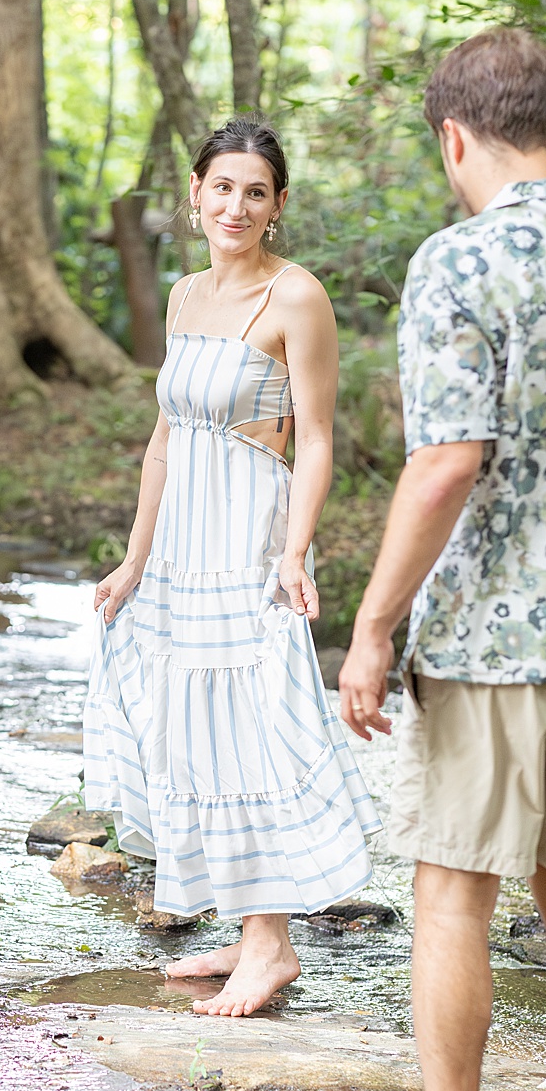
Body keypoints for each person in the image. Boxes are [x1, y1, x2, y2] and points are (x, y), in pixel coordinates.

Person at [329, 28, 546, 1091]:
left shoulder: (457, 261)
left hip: (493, 633)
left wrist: (372, 626)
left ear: (452, 139)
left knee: (452, 892)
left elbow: (447, 459)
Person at [82, 118, 381, 1018]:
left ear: (278, 204)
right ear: (196, 192)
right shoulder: (183, 297)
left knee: (251, 725)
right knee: (192, 726)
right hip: (182, 541)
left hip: (249, 531)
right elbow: (165, 440)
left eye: (256, 192)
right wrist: (134, 559)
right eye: (222, 188)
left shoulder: (297, 297)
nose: (236, 207)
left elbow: (317, 438)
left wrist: (292, 550)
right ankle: (245, 924)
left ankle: (274, 944)